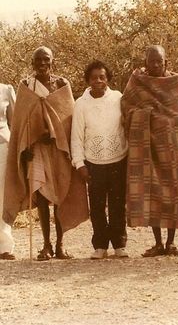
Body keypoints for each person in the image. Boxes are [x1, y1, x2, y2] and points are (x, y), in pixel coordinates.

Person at [2, 46, 89, 260]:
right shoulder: (26, 87)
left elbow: (67, 118)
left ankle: (60, 245)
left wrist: (56, 135)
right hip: (37, 150)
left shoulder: (62, 85)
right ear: (32, 63)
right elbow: (21, 124)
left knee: (60, 192)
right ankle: (46, 245)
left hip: (59, 149)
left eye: (46, 59)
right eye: (38, 60)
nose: (42, 64)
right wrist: (26, 148)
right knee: (41, 195)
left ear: (53, 61)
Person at [121, 45, 178, 257]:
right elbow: (126, 107)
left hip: (170, 146)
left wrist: (161, 122)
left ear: (166, 62)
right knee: (152, 194)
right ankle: (158, 243)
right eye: (152, 62)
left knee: (171, 193)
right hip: (146, 145)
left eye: (160, 62)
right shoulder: (137, 81)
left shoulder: (174, 83)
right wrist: (144, 116)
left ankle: (171, 243)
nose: (156, 65)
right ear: (146, 63)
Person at [71, 61, 128, 259]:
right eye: (94, 77)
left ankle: (119, 244)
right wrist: (80, 164)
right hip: (93, 163)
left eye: (102, 77)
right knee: (96, 206)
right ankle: (100, 245)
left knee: (117, 205)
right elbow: (76, 136)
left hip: (118, 160)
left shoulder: (118, 98)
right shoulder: (81, 104)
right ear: (88, 80)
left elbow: (126, 126)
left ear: (107, 79)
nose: (98, 81)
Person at [0, 83, 16, 260]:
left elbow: (15, 121)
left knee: (2, 196)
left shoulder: (5, 90)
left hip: (2, 147)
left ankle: (4, 246)